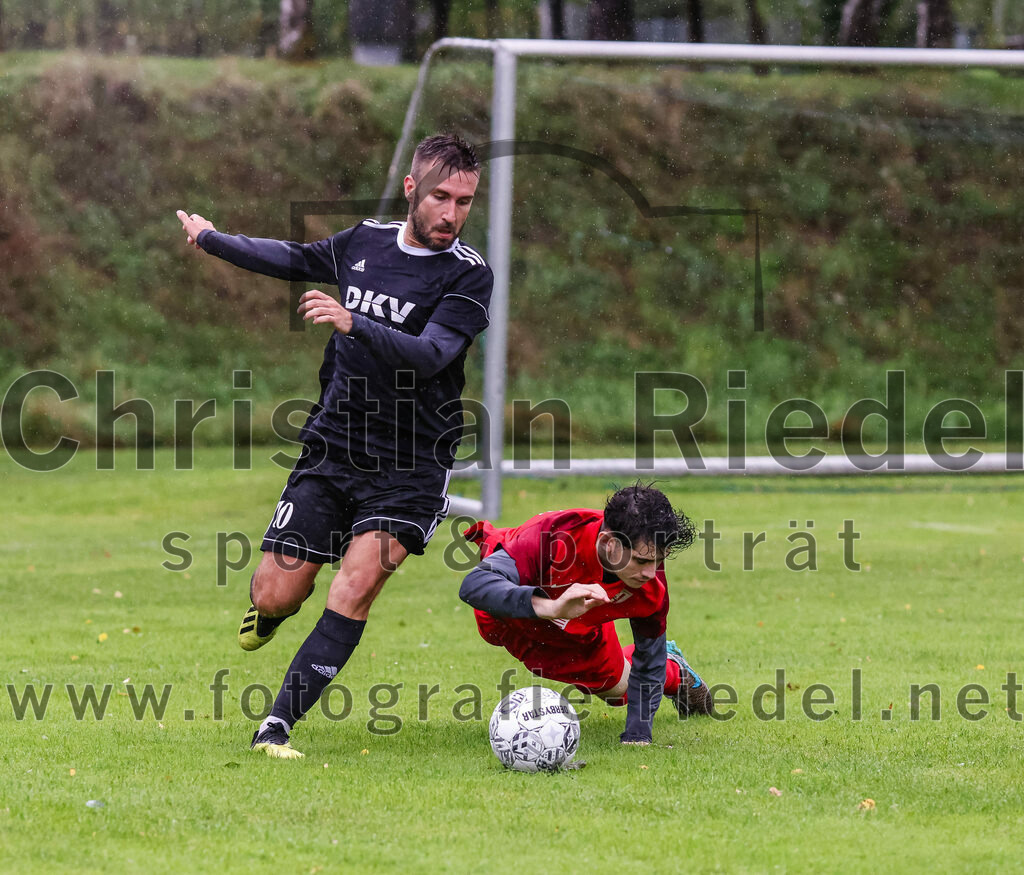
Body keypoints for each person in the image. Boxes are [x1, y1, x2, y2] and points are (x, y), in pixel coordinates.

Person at [176, 134, 492, 758]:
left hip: (410, 464)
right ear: (412, 190)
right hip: (333, 445)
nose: (452, 214)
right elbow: (294, 258)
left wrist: (355, 321)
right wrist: (213, 239)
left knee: (355, 586)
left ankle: (277, 725)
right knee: (276, 591)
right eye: (440, 197)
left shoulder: (468, 274)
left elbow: (432, 356)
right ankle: (269, 614)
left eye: (464, 201)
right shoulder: (364, 242)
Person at [460, 483, 712, 744]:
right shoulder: (553, 536)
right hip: (512, 613)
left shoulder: (651, 585)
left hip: (577, 631)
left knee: (617, 690)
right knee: (488, 621)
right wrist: (553, 608)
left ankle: (677, 673)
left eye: (660, 559)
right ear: (607, 542)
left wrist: (638, 734)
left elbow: (649, 659)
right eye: (642, 560)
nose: (652, 572)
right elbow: (475, 585)